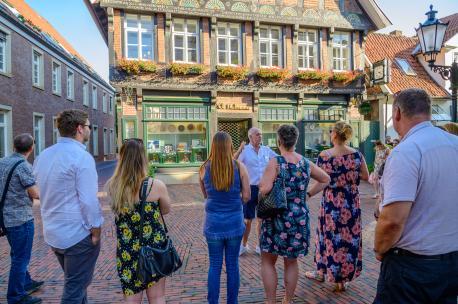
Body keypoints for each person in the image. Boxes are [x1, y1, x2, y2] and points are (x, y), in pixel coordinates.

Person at [374, 88, 458, 303]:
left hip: (412, 267)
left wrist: (380, 248)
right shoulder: (454, 144)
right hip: (451, 261)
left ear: (398, 114)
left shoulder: (407, 151)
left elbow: (393, 220)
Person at [33, 110, 104, 304]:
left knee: (77, 284)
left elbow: (36, 190)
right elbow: (89, 201)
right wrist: (96, 230)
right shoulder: (82, 157)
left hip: (53, 233)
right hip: (77, 234)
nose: (90, 130)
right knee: (74, 288)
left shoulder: (44, 156)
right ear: (80, 129)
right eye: (89, 126)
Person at [258, 125, 330, 304]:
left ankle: (270, 301)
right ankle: (288, 300)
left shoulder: (276, 162)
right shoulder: (305, 162)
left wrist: (263, 186)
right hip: (298, 218)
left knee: (268, 261)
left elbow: (265, 189)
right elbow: (325, 179)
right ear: (295, 141)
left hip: (276, 217)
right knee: (291, 262)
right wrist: (307, 195)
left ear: (279, 141)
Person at [305, 122, 369, 292]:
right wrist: (349, 176)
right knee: (348, 240)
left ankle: (322, 272)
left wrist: (309, 194)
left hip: (332, 204)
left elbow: (322, 181)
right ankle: (342, 279)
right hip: (351, 203)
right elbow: (365, 176)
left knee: (329, 238)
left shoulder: (324, 156)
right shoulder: (357, 155)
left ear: (334, 135)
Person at [106, 138, 172, 303]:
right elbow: (165, 210)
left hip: (127, 250)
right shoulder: (155, 186)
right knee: (157, 297)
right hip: (153, 249)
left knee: (132, 299)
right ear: (143, 158)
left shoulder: (113, 186)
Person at [200, 131, 251, 304]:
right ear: (230, 146)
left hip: (213, 223)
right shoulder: (239, 167)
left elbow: (206, 195)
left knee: (214, 265)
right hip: (234, 222)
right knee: (232, 265)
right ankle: (232, 302)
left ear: (213, 146)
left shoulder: (204, 168)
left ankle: (212, 301)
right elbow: (247, 196)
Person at [0, 134, 42, 304]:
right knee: (21, 257)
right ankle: (16, 296)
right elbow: (35, 193)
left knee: (17, 254)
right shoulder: (24, 166)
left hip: (5, 218)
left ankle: (26, 282)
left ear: (14, 146)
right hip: (20, 219)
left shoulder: (2, 161)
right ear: (31, 148)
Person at [234, 127, 276, 255]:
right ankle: (244, 244)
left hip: (264, 188)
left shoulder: (266, 150)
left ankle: (259, 245)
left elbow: (280, 160)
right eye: (257, 134)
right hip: (250, 188)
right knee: (247, 220)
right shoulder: (245, 151)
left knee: (261, 219)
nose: (260, 136)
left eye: (261, 134)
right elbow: (234, 164)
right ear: (250, 137)